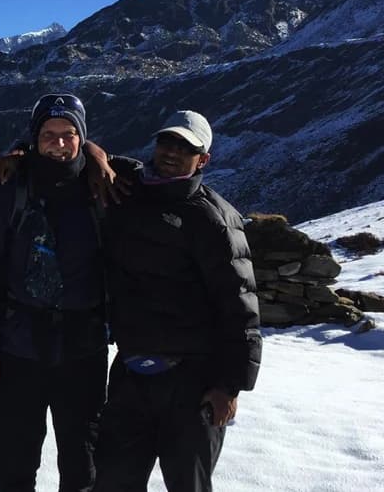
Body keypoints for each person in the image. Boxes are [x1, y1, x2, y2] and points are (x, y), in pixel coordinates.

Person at [94, 110, 262, 492]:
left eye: (185, 147)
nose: (171, 151)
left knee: (189, 484)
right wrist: (92, 154)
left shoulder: (214, 218)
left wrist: (230, 386)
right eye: (166, 142)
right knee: (112, 481)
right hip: (131, 371)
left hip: (193, 381)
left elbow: (240, 307)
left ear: (203, 159)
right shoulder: (130, 184)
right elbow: (81, 149)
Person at [0, 93, 109, 492]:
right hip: (18, 349)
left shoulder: (103, 186)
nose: (59, 143)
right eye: (49, 134)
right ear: (34, 138)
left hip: (83, 348)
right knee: (16, 461)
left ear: (83, 138)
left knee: (82, 463)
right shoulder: (9, 188)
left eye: (69, 134)